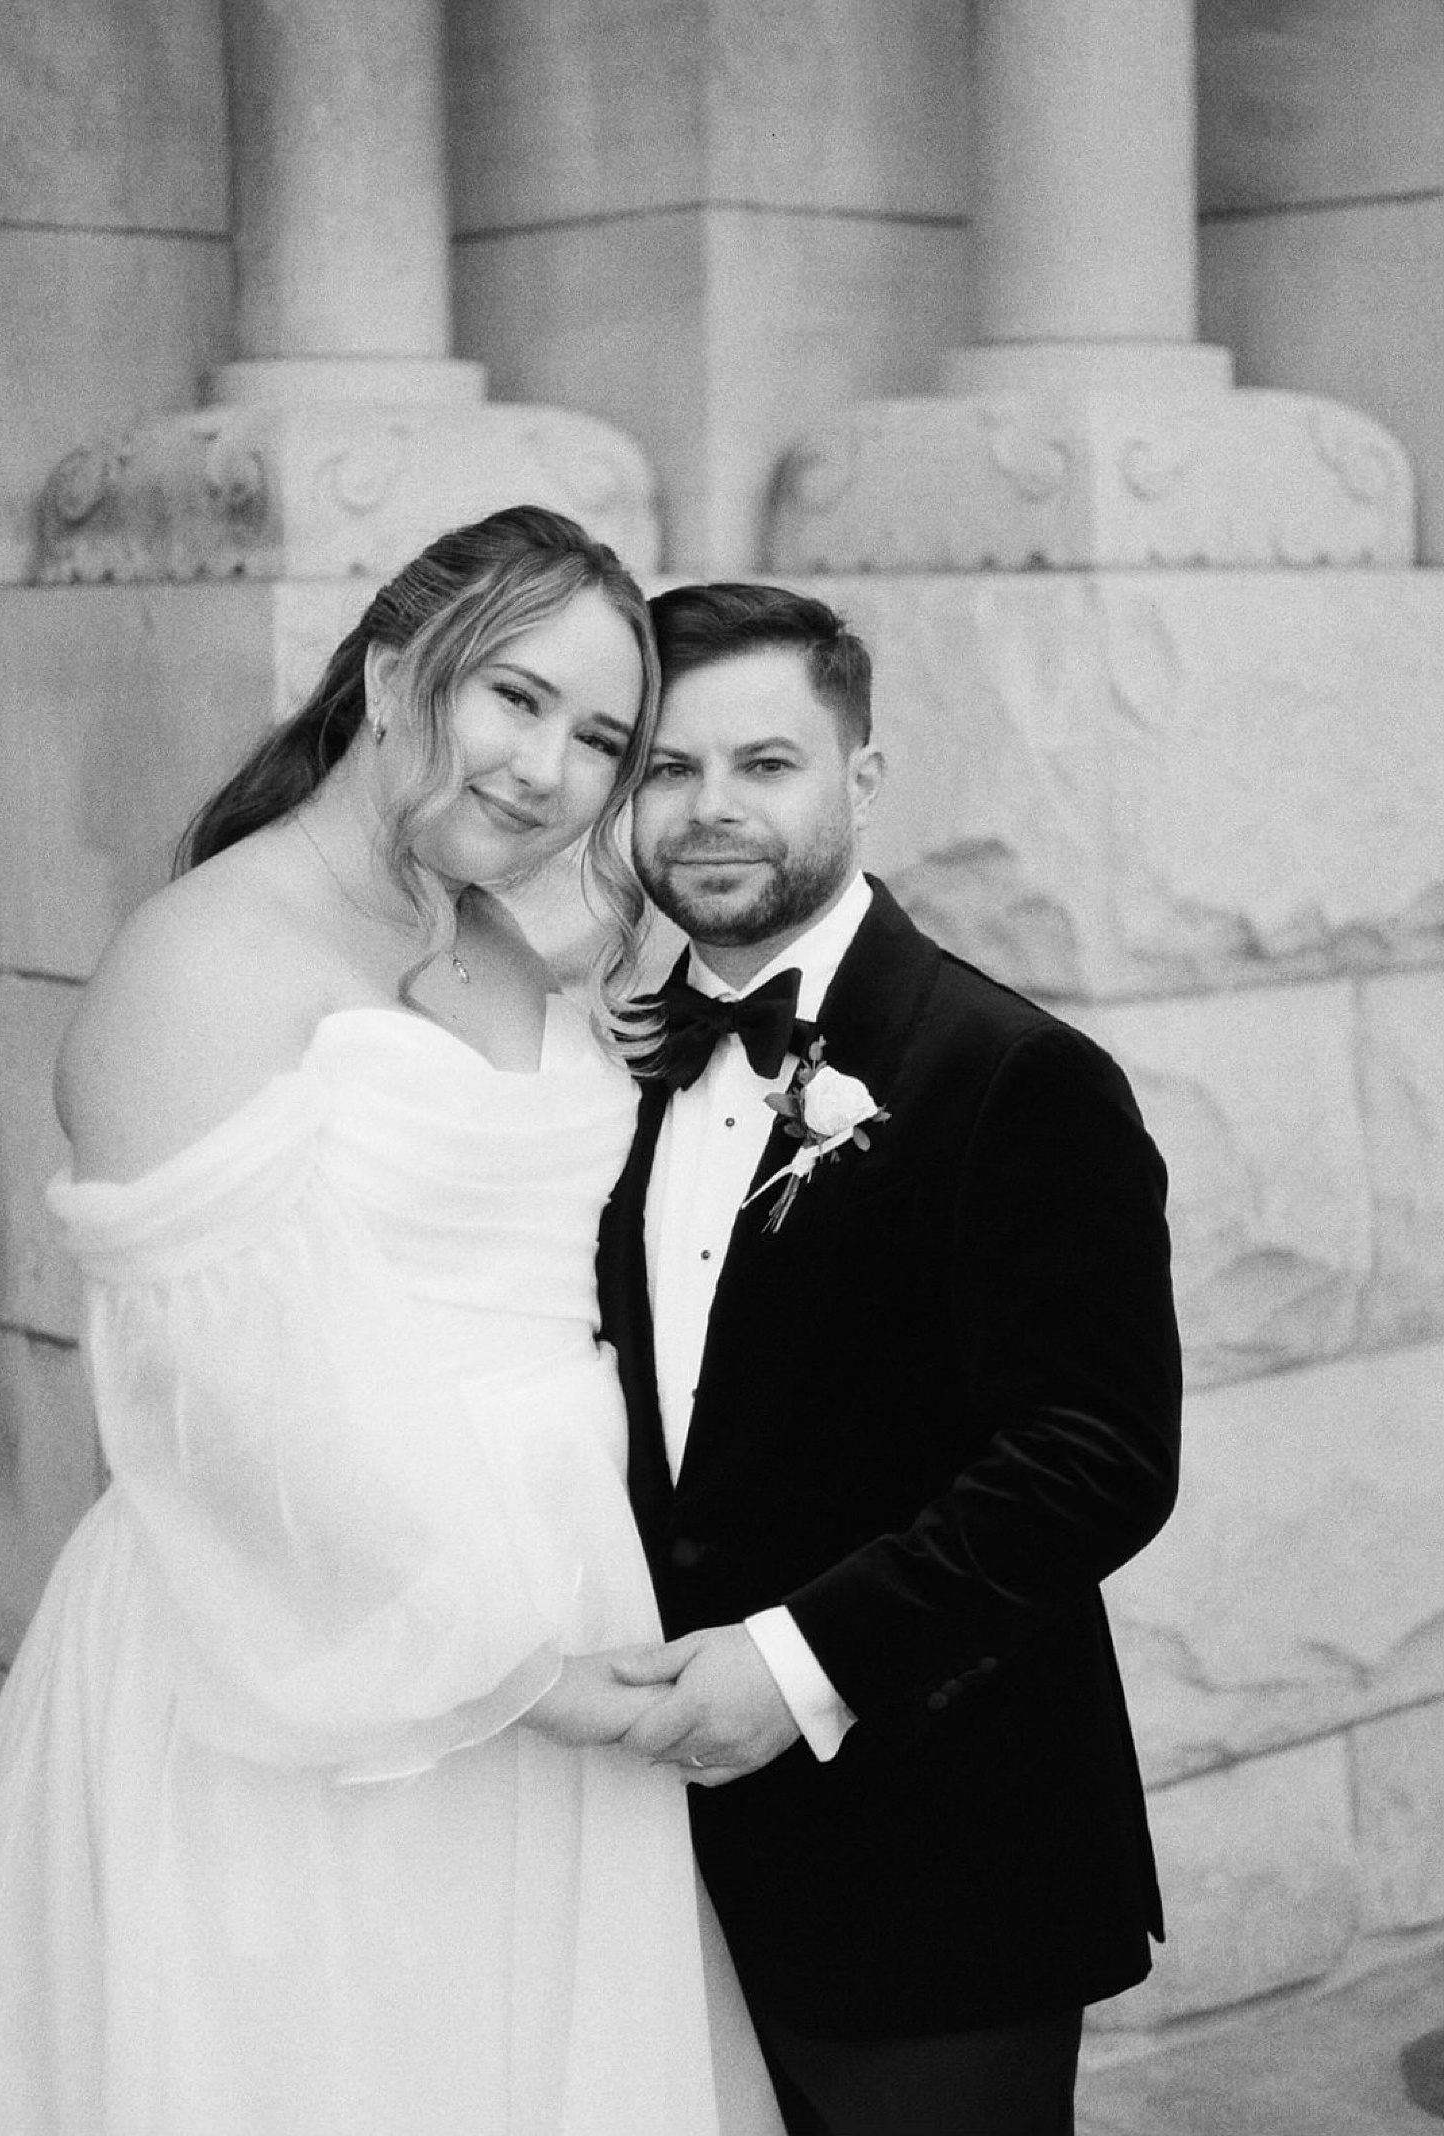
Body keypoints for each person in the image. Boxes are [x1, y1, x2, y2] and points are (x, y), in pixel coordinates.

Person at [0, 509, 782, 2136]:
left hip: (560, 1612)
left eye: (601, 739)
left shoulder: (492, 931)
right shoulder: (208, 954)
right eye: (514, 696)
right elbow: (223, 1393)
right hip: (302, 1642)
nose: (549, 767)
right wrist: (518, 1670)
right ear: (395, 666)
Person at [596, 583, 1183, 2136]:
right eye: (666, 766)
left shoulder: (1017, 1076)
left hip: (941, 1868)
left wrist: (796, 1669)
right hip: (654, 1868)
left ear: (860, 777)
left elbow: (1096, 1456)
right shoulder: (599, 1075)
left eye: (765, 763)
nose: (711, 809)